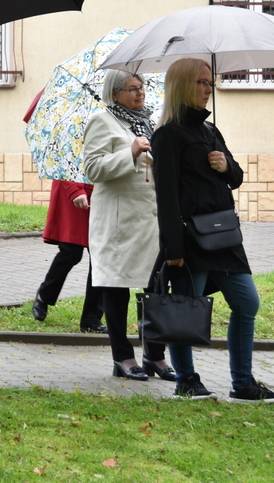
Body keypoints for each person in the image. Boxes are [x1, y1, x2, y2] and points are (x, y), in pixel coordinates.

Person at [152, 58, 274, 403]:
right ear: (183, 85)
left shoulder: (211, 131)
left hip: (224, 236)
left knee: (247, 303)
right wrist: (173, 249)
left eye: (210, 83)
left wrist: (226, 165)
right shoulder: (167, 135)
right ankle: (186, 380)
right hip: (191, 239)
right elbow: (165, 196)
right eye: (201, 83)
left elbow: (237, 177)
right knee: (186, 309)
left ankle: (243, 383)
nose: (208, 90)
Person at [83, 70, 174, 382]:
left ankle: (155, 355)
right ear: (115, 93)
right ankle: (123, 357)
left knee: (155, 287)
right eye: (132, 89)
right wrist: (130, 152)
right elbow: (93, 168)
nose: (140, 94)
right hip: (119, 222)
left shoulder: (151, 121)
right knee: (117, 286)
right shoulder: (102, 121)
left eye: (142, 87)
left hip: (150, 220)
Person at [31, 180, 106, 333]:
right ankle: (44, 295)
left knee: (101, 257)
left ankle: (92, 319)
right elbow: (61, 161)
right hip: (73, 188)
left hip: (100, 190)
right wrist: (74, 190)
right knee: (71, 252)